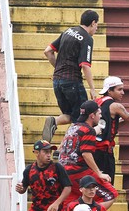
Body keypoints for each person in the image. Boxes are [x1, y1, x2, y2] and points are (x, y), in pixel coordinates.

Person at [42, 10, 99, 142]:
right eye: (97, 25)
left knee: (71, 115)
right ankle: (67, 145)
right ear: (93, 23)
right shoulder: (87, 38)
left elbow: (48, 51)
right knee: (84, 115)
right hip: (72, 81)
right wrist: (92, 88)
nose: (96, 28)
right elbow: (85, 65)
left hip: (57, 81)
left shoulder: (68, 31)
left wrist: (58, 68)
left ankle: (54, 122)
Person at [58, 100, 118, 210]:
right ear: (92, 115)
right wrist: (99, 173)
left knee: (71, 201)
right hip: (77, 170)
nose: (100, 116)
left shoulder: (73, 127)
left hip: (63, 172)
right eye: (99, 113)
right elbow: (86, 154)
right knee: (111, 194)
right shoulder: (88, 130)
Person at [93, 76, 129, 184]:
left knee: (94, 184)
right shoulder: (116, 106)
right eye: (119, 89)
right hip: (104, 152)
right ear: (110, 90)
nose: (123, 92)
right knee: (107, 186)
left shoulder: (97, 102)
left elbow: (108, 126)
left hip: (92, 149)